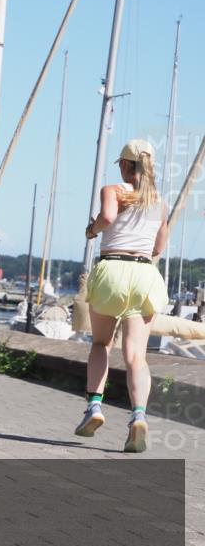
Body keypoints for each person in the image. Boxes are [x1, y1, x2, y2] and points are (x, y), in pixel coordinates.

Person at [75, 139, 169, 453]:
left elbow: (108, 218)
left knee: (101, 344)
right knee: (136, 356)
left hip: (113, 268)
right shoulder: (160, 202)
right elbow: (158, 248)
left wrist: (91, 230)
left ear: (126, 165)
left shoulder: (112, 190)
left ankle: (94, 408)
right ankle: (138, 417)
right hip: (144, 273)